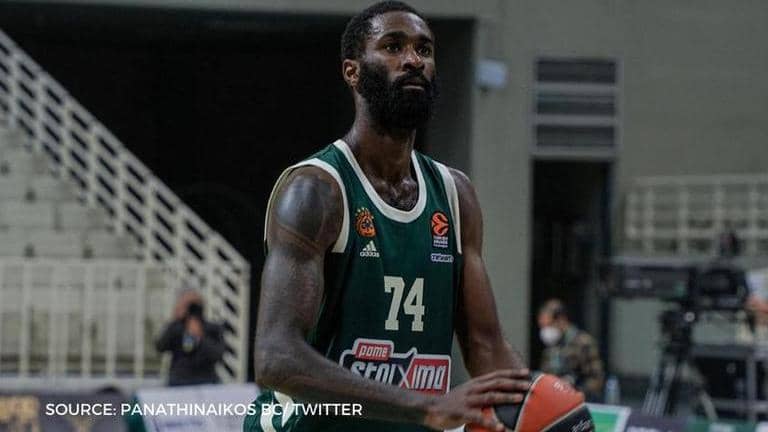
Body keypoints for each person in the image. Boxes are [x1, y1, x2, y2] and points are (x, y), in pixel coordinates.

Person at [245, 2, 530, 431]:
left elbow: (485, 346)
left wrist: (540, 405)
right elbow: (276, 359)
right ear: (352, 71)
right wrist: (422, 405)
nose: (413, 60)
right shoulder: (317, 191)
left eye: (424, 49)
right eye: (393, 47)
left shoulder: (455, 195)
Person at [155, 288, 226, 386]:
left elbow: (218, 355)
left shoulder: (212, 328)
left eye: (195, 305)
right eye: (189, 306)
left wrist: (200, 338)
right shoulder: (176, 327)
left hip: (206, 380)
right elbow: (160, 346)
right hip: (179, 380)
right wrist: (175, 320)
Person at [537, 299, 604, 401]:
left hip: (579, 401)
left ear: (561, 320)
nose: (545, 330)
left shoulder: (583, 343)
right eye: (542, 326)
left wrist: (575, 390)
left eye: (549, 325)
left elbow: (597, 379)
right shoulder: (551, 347)